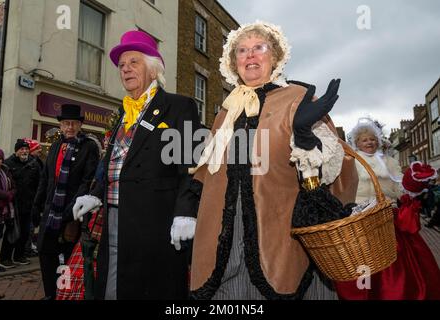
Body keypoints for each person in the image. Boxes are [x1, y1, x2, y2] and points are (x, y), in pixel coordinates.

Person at [188, 21, 358, 300]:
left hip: (282, 234)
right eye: (242, 51)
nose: (250, 56)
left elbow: (336, 168)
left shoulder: (299, 98)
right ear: (234, 62)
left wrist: (305, 138)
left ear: (275, 56)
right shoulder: (227, 110)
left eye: (259, 48)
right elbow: (208, 170)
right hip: (226, 238)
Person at [72, 30, 201, 300]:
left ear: (153, 70)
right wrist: (95, 195)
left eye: (134, 62)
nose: (125, 69)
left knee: (153, 289)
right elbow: (116, 160)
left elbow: (191, 164)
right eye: (121, 65)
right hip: (115, 217)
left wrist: (186, 211)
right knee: (113, 288)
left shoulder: (179, 107)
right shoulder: (124, 111)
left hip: (156, 222)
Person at [335, 119, 440, 300]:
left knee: (398, 257)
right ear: (357, 142)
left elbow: (401, 188)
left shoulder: (389, 161)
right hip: (359, 217)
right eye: (364, 140)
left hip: (387, 215)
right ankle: (365, 292)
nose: (370, 143)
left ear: (378, 141)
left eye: (372, 139)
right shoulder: (348, 161)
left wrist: (413, 183)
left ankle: (397, 293)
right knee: (363, 259)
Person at [31, 104, 100, 300]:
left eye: (74, 123)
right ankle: (51, 294)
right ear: (60, 125)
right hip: (50, 213)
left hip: (72, 215)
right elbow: (45, 179)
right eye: (65, 123)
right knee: (46, 254)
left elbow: (87, 181)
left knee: (67, 259)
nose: (69, 127)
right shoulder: (54, 146)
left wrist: (69, 213)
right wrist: (37, 206)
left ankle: (64, 295)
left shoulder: (89, 147)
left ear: (79, 125)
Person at [0, 139, 40, 267]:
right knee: (11, 232)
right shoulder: (7, 164)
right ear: (16, 151)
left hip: (28, 204)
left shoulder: (34, 164)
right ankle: (5, 258)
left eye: (26, 149)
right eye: (21, 149)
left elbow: (39, 183)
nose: (24, 151)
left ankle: (19, 255)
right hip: (13, 205)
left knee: (24, 232)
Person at [0, 148, 15, 276]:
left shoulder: (5, 171)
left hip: (2, 212)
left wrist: (11, 194)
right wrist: (6, 195)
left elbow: (13, 187)